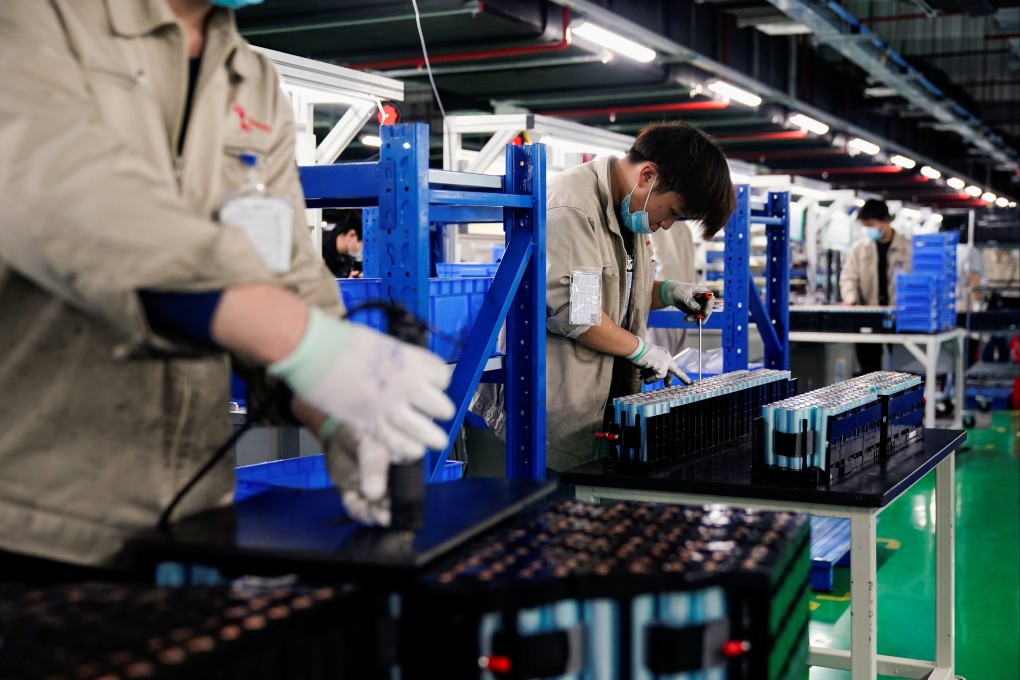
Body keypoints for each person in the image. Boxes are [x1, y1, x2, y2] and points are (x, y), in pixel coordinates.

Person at [0, 0, 454, 575]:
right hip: (31, 523)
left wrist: (333, 414)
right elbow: (67, 195)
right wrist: (303, 340)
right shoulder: (38, 16)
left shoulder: (252, 81)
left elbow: (284, 269)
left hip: (194, 521)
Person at [473, 121, 735, 472]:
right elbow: (578, 313)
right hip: (549, 414)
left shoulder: (628, 211)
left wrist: (670, 292)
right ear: (647, 176)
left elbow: (619, 292)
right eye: (672, 212)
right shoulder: (574, 208)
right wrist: (641, 349)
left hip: (596, 409)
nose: (667, 225)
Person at [839, 199, 912, 374]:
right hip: (868, 317)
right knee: (868, 371)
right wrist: (850, 297)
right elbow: (848, 278)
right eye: (865, 226)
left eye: (871, 225)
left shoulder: (908, 248)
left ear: (885, 220)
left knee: (904, 370)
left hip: (900, 317)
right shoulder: (859, 248)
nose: (868, 230)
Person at [322, 209, 364, 279]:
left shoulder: (348, 259)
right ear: (351, 235)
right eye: (364, 245)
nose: (362, 251)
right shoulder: (320, 248)